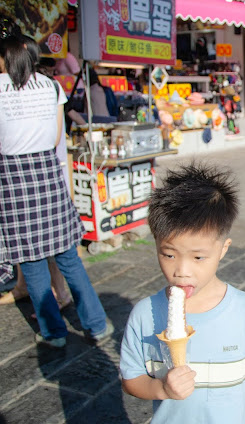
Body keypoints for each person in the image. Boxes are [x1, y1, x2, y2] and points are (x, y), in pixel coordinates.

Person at [120, 164, 245, 422]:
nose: (182, 271)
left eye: (198, 257)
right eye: (169, 254)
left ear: (223, 249)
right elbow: (131, 379)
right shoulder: (144, 314)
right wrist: (161, 388)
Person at [0, 34, 112, 348]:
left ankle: (54, 333)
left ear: (6, 58)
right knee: (69, 261)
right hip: (49, 178)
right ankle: (97, 325)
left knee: (32, 265)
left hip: (14, 184)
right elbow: (55, 140)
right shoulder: (51, 87)